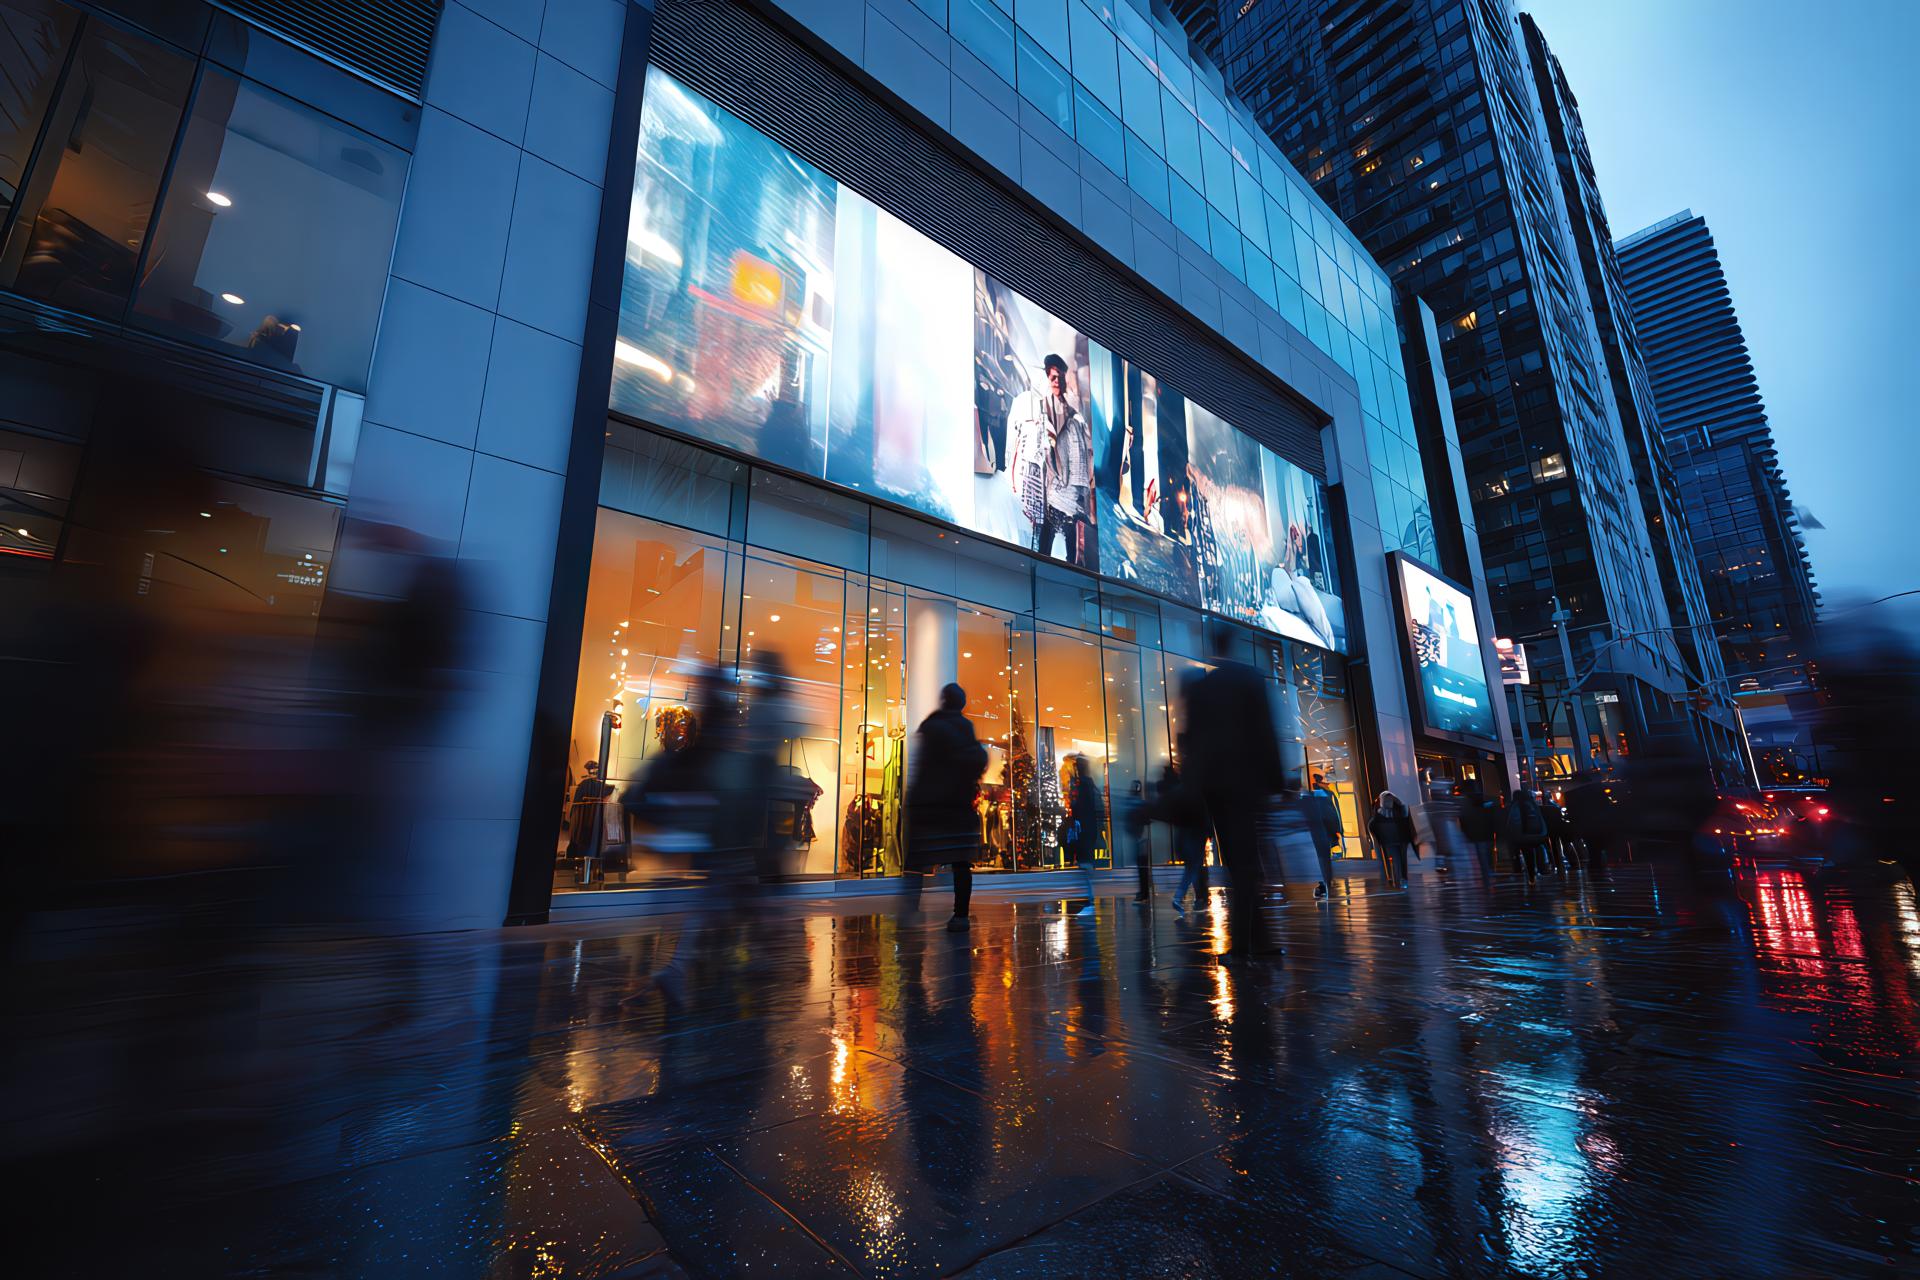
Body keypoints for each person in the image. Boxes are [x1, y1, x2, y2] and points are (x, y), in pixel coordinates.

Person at [1183, 657, 1284, 959]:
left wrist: (1193, 786)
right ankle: (1260, 941)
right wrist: (1275, 781)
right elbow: (1266, 732)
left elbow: (1195, 743)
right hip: (1249, 788)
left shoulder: (1205, 688)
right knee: (1246, 868)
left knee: (1241, 868)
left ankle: (1243, 947)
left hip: (1221, 790)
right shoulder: (1251, 679)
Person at [903, 683, 990, 932]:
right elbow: (977, 761)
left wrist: (914, 802)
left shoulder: (931, 727)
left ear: (943, 700)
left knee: (916, 862)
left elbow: (921, 768)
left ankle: (910, 912)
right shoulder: (967, 729)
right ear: (961, 704)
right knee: (961, 863)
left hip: (930, 805)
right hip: (958, 806)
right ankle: (960, 916)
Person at [1151, 758, 1210, 915]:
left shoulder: (1178, 791)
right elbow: (1202, 813)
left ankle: (1187, 896)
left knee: (1192, 867)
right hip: (1195, 833)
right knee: (1194, 867)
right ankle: (1190, 896)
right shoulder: (1194, 791)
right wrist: (1207, 831)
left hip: (1184, 834)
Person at [1061, 752, 1104, 917]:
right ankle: (1089, 899)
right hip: (1088, 830)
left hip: (1084, 830)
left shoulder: (1082, 786)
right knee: (1086, 863)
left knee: (1085, 864)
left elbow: (1079, 808)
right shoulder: (1090, 786)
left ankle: (1089, 900)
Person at [1368, 790, 1416, 886]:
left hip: (1390, 840)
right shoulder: (1399, 810)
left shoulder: (1379, 813)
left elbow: (1373, 826)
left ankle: (1397, 879)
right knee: (1401, 860)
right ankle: (1401, 879)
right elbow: (1406, 821)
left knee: (1396, 859)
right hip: (1400, 839)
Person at [1307, 773, 1341, 899]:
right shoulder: (1326, 795)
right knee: (1324, 859)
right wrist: (1337, 829)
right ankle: (1326, 884)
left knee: (1321, 858)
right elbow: (1332, 813)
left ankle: (1324, 885)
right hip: (1326, 829)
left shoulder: (1314, 795)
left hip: (1319, 830)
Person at [1506, 787, 1550, 880]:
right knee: (1538, 850)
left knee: (1528, 854)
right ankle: (1542, 869)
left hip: (1524, 836)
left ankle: (1531, 876)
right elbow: (1541, 820)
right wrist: (1543, 833)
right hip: (1537, 835)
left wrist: (1515, 836)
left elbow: (1514, 822)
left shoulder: (1516, 806)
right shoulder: (1533, 804)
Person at [1457, 783, 1498, 878]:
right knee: (1486, 859)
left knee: (1479, 861)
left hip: (1473, 836)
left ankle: (1485, 878)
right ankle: (1489, 876)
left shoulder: (1465, 805)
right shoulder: (1486, 803)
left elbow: (1464, 821)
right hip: (1486, 835)